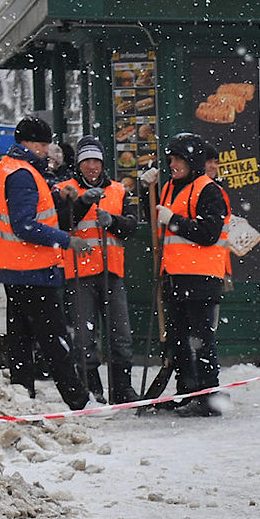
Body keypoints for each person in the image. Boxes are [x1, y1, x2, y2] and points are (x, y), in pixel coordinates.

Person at [0, 115, 89, 409]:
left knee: (21, 337)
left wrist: (56, 195)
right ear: (28, 143)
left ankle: (22, 394)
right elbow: (24, 225)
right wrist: (66, 240)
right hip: (32, 268)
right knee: (54, 337)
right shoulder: (22, 173)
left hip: (14, 268)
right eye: (43, 144)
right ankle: (77, 399)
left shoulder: (10, 167)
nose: (46, 150)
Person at [56, 137, 141, 404]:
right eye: (86, 162)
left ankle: (122, 388)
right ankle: (93, 388)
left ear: (102, 163)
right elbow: (61, 223)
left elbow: (130, 226)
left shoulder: (118, 190)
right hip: (79, 273)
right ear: (79, 165)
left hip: (112, 273)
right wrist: (81, 204)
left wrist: (113, 221)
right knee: (84, 337)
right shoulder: (65, 189)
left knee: (120, 335)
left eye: (95, 161)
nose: (91, 167)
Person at [156, 133, 231, 416]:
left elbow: (209, 234)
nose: (172, 164)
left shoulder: (208, 190)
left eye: (177, 158)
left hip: (201, 277)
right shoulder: (169, 188)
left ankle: (207, 394)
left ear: (191, 160)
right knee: (178, 338)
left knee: (200, 339)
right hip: (175, 276)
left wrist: (173, 221)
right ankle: (186, 390)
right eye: (170, 159)